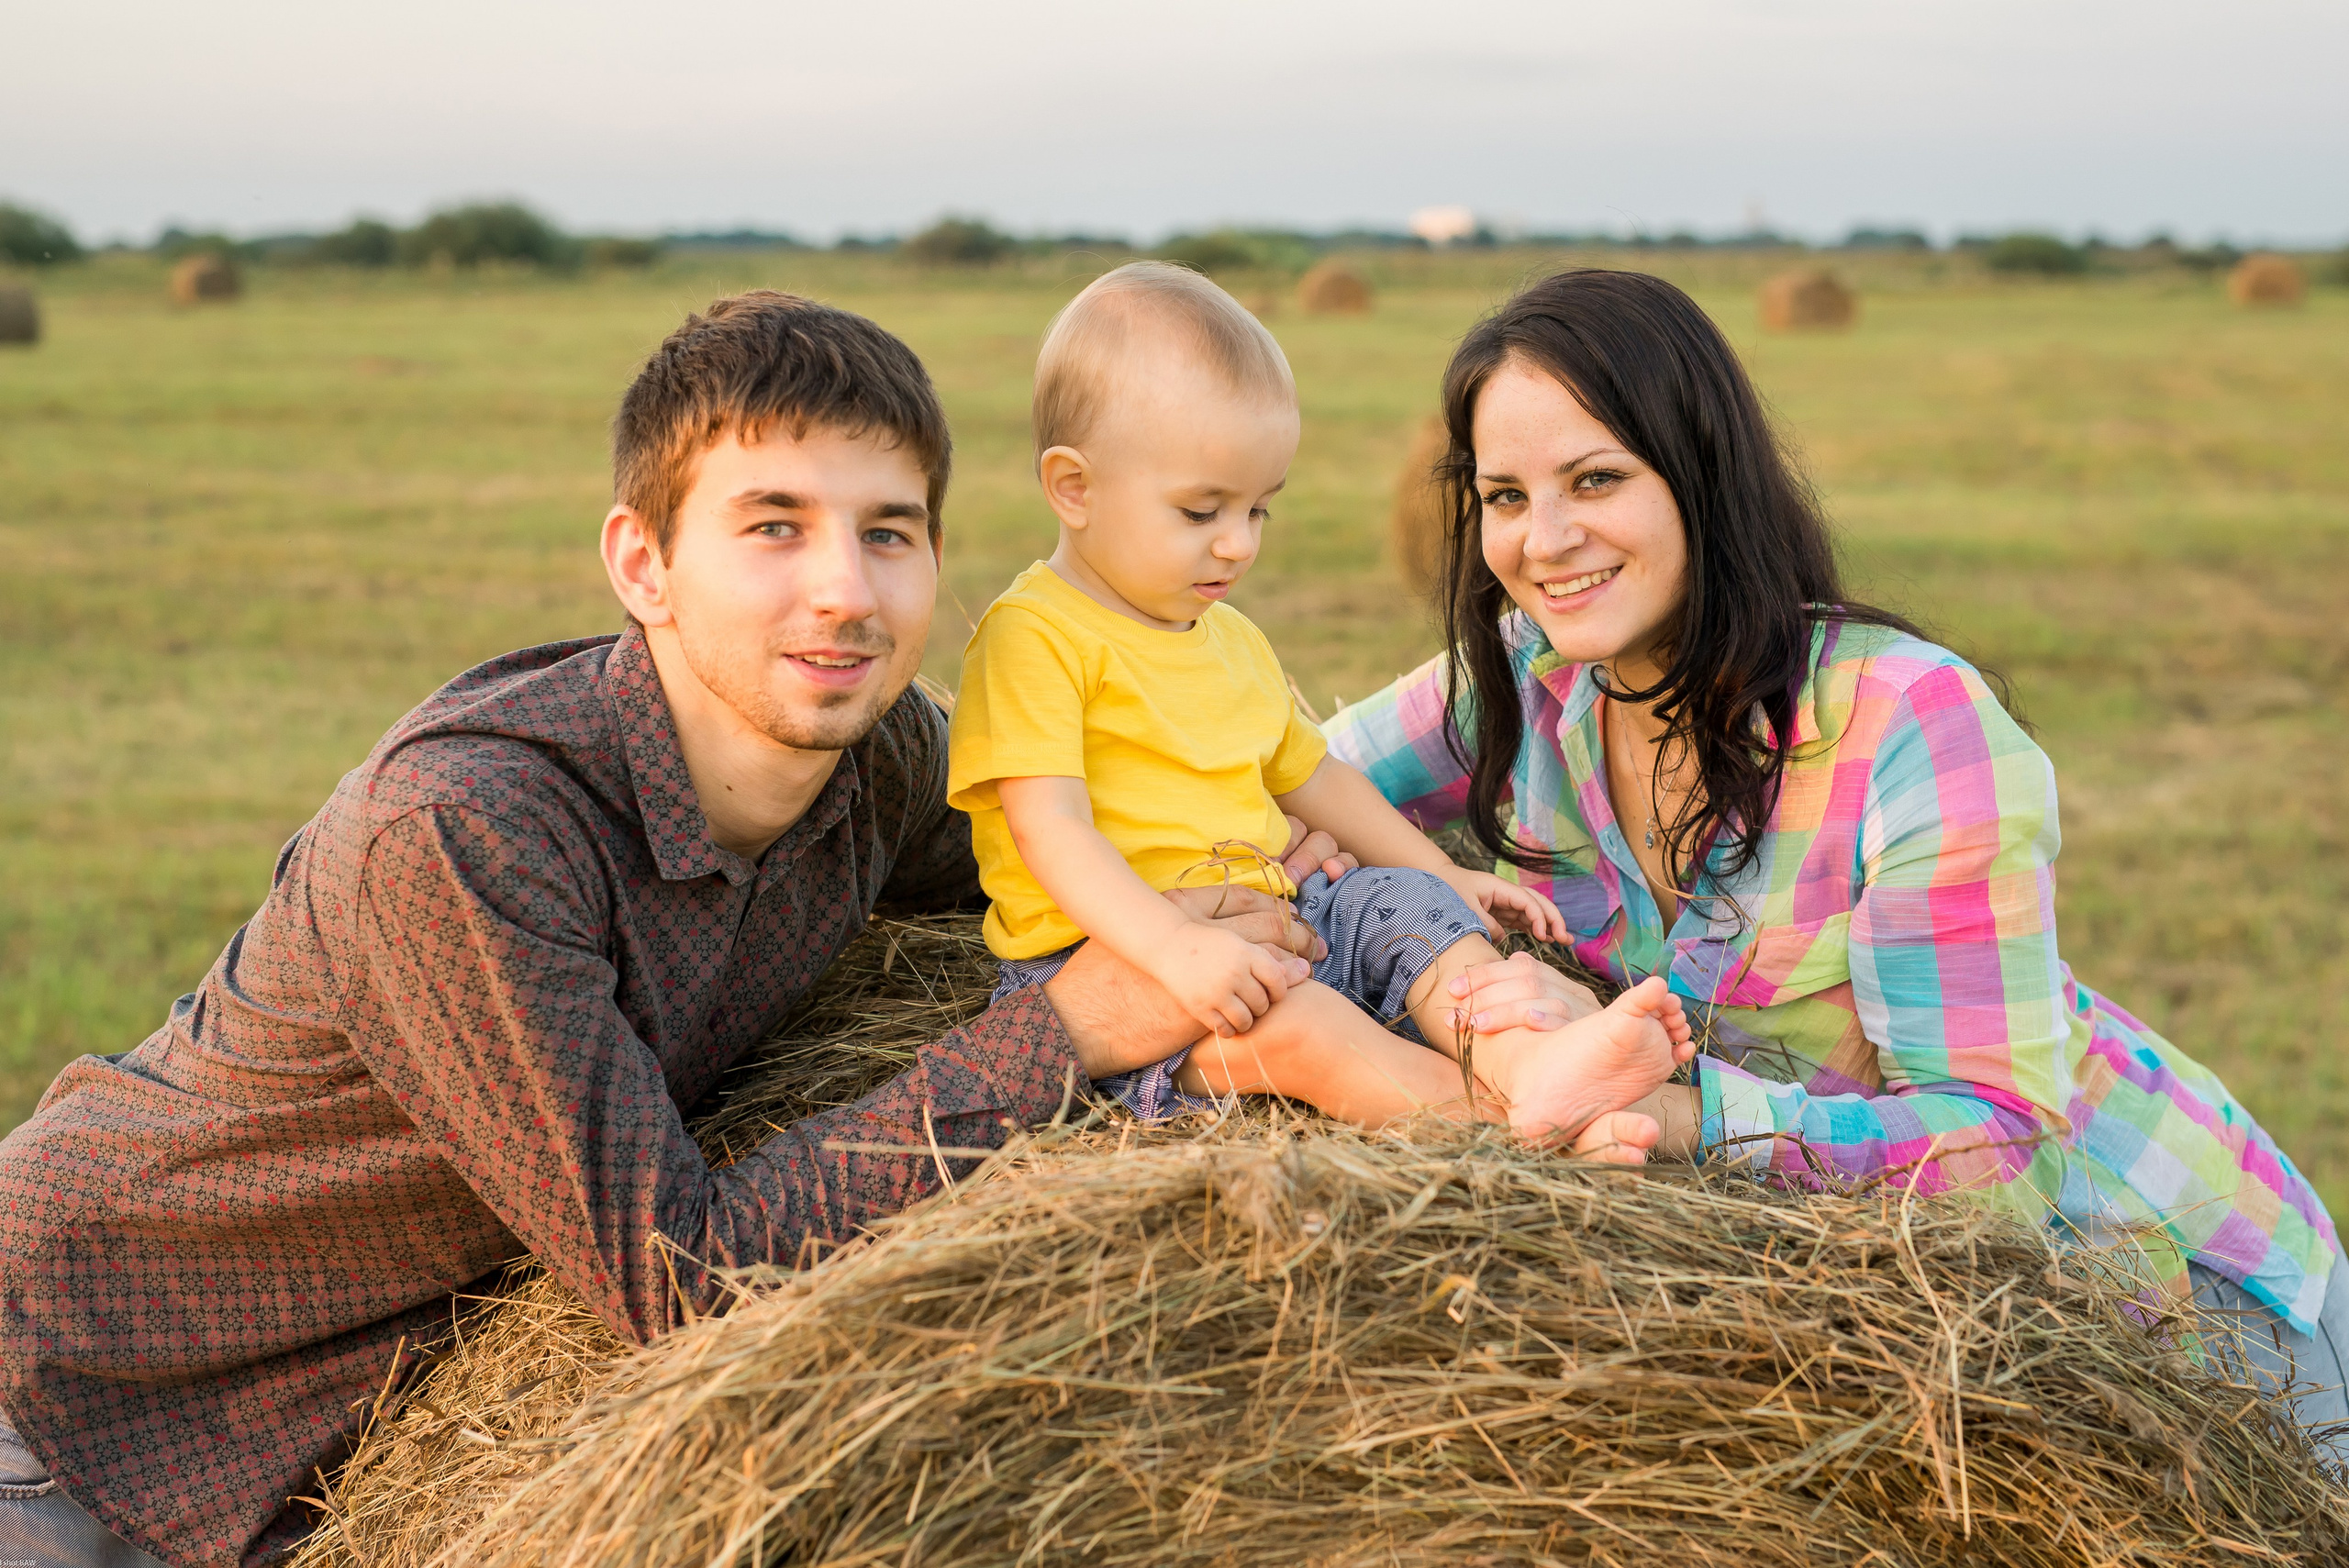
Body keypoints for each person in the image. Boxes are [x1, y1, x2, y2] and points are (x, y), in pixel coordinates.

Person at [0, 291, 1369, 1568]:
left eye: (888, 531)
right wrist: (1067, 1029)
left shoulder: (880, 760)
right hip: (71, 1404)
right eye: (773, 525)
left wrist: (1260, 854)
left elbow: (1073, 856)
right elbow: (681, 1280)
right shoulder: (468, 834)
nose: (844, 591)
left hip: (337, 1450)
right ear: (642, 563)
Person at [1325, 267, 2348, 1447]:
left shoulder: (1908, 722)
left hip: (2165, 1305)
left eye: (1596, 478)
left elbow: (2002, 1160)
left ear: (1699, 474)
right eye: (1505, 495)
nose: (1542, 541)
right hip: (1896, 1314)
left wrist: (1676, 1113)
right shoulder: (1524, 676)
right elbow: (1273, 774)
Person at [947, 262, 1693, 1146]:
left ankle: (1528, 1068)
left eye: (1260, 509)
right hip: (1112, 970)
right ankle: (1516, 1127)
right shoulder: (1034, 636)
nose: (1238, 543)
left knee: (1419, 919)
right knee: (1307, 1035)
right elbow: (1053, 833)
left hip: (1280, 922)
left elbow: (1318, 777)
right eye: (1201, 510)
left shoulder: (1228, 637)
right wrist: (1174, 949)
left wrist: (1440, 874)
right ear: (1074, 488)